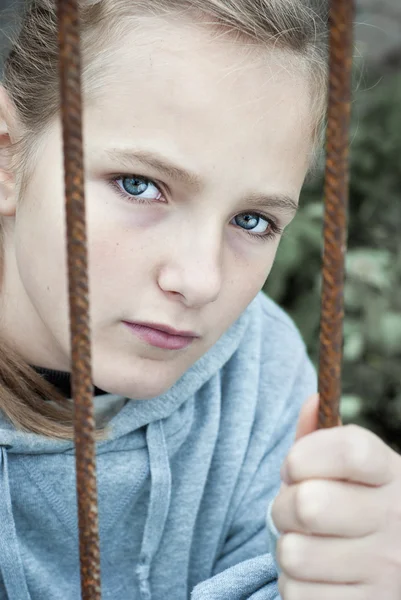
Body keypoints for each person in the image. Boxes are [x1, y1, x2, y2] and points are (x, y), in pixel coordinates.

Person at [0, 0, 400, 599]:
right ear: (7, 154)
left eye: (254, 220)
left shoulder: (257, 370)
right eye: (141, 186)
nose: (201, 279)